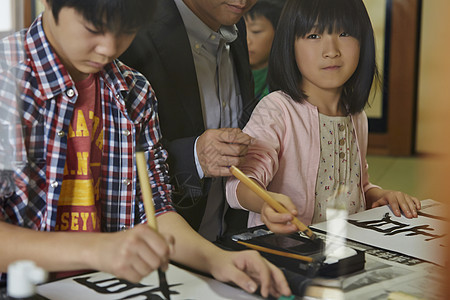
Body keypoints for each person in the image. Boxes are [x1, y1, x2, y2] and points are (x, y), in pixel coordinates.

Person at [0, 1, 293, 298]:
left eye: (126, 32)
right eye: (94, 29)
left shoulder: (133, 92)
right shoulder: (6, 79)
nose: (108, 48)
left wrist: (217, 260)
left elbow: (154, 210)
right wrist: (95, 250)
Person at [226, 0, 421, 234]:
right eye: (313, 35)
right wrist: (266, 202)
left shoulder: (356, 116)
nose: (331, 51)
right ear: (290, 44)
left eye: (345, 33)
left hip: (345, 247)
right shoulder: (277, 110)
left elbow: (357, 185)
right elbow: (240, 183)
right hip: (290, 251)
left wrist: (380, 195)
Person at [120, 0, 259, 242]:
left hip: (226, 243)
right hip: (158, 250)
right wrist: (194, 156)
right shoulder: (132, 32)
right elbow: (115, 162)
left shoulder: (233, 23)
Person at [245, 0, 286, 100]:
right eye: (242, 31)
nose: (247, 40)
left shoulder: (286, 80)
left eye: (256, 31)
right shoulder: (228, 72)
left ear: (278, 34)